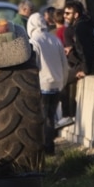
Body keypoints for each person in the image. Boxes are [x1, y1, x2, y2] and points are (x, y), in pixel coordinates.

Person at [27, 11, 68, 153]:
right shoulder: (55, 39)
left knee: (44, 117)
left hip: (42, 85)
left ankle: (47, 148)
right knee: (50, 116)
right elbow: (64, 63)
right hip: (57, 84)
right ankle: (50, 146)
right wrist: (63, 82)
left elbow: (34, 66)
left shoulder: (33, 42)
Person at [63, 0, 94, 120]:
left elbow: (85, 51)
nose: (64, 16)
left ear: (76, 15)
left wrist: (85, 70)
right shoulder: (93, 23)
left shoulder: (79, 27)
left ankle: (68, 115)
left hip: (88, 66)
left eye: (68, 13)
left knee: (63, 79)